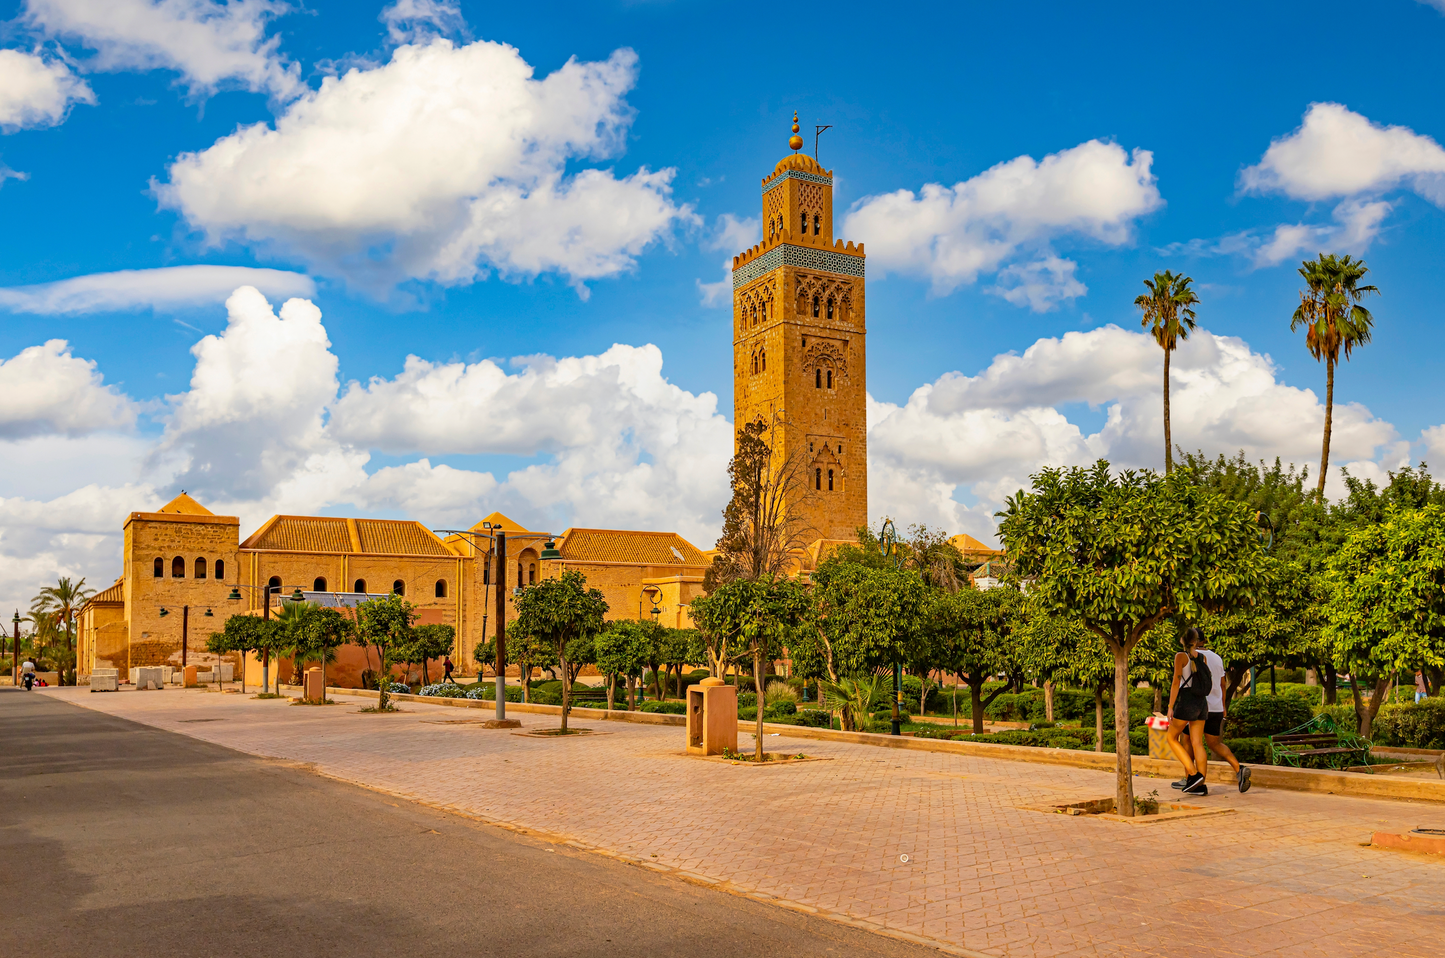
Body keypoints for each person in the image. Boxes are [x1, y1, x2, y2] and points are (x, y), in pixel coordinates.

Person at [1181, 633, 1251, 793]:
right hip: (1216, 708)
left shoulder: (1189, 656)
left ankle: (1193, 780)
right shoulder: (1217, 658)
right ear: (1204, 640)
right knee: (1214, 744)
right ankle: (1238, 768)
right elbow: (1222, 684)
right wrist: (1223, 706)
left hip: (1197, 708)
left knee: (1190, 742)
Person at [1166, 628, 1212, 795]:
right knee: (1197, 743)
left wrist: (1171, 706)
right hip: (1201, 702)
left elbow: (1176, 682)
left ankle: (1192, 775)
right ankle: (1201, 785)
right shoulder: (1202, 657)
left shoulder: (1181, 656)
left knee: (1171, 737)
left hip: (1186, 702)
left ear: (1182, 639)